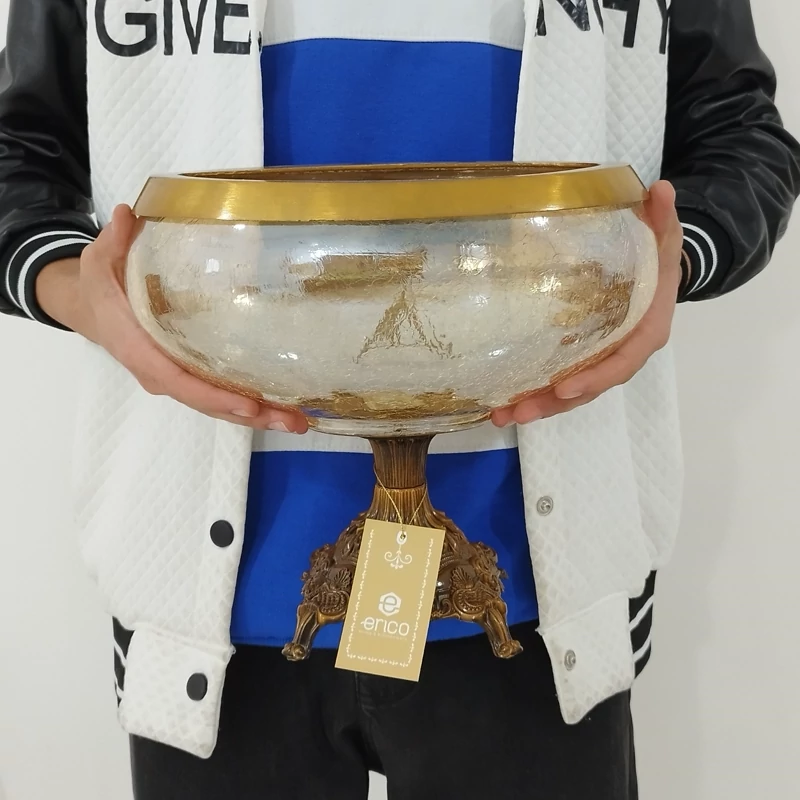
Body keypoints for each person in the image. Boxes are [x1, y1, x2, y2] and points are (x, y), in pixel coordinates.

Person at [1, 1, 798, 798]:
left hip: (545, 589)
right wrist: (77, 290)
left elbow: (737, 134)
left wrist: (668, 263)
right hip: (202, 596)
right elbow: (20, 150)